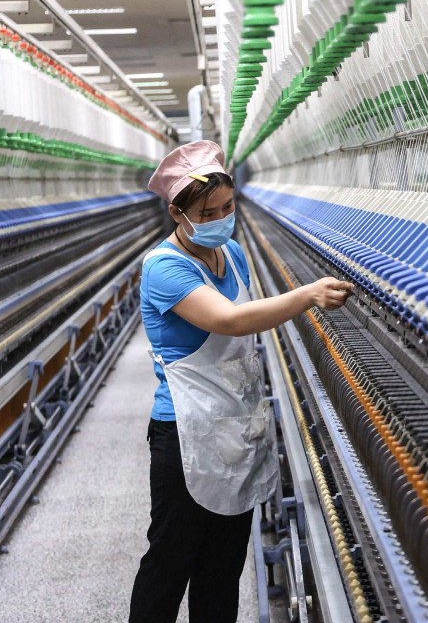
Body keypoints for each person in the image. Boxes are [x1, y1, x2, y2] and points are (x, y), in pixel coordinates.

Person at [129, 141, 353, 623]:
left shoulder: (229, 252)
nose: (222, 217)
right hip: (184, 436)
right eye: (208, 212)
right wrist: (308, 294)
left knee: (222, 568)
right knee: (169, 566)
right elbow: (230, 320)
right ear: (177, 213)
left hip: (236, 430)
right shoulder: (163, 267)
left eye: (228, 207)